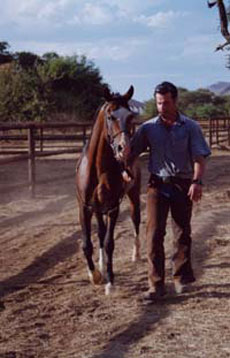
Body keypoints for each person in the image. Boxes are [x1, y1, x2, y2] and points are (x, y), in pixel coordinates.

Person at [124, 81, 211, 300]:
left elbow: (199, 158)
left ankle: (181, 278)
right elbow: (131, 153)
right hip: (157, 185)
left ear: (175, 101)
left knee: (182, 233)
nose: (162, 107)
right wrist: (124, 165)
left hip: (182, 185)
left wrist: (197, 182)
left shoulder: (190, 127)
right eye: (159, 103)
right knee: (154, 234)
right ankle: (156, 285)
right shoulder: (148, 128)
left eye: (166, 102)